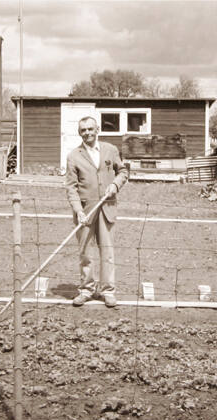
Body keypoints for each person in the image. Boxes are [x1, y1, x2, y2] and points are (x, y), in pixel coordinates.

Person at [65, 116, 129, 307]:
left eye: (90, 129)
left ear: (97, 129)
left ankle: (108, 291)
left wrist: (115, 186)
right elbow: (71, 187)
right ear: (79, 133)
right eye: (83, 130)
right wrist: (78, 210)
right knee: (85, 253)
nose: (87, 133)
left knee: (107, 252)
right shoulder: (73, 156)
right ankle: (86, 290)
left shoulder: (110, 150)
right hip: (85, 211)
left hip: (107, 208)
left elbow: (123, 172)